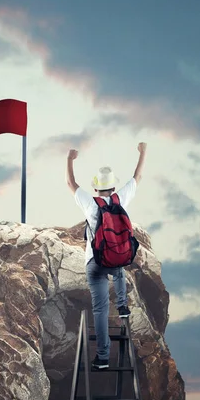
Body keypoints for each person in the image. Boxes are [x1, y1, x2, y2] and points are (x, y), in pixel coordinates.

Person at [66, 143, 147, 369]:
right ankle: (122, 306)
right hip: (115, 259)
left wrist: (70, 159)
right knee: (119, 262)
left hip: (95, 262)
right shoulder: (121, 199)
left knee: (100, 309)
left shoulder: (91, 204)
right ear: (113, 187)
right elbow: (137, 176)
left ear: (96, 188)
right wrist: (142, 153)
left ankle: (102, 357)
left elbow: (71, 184)